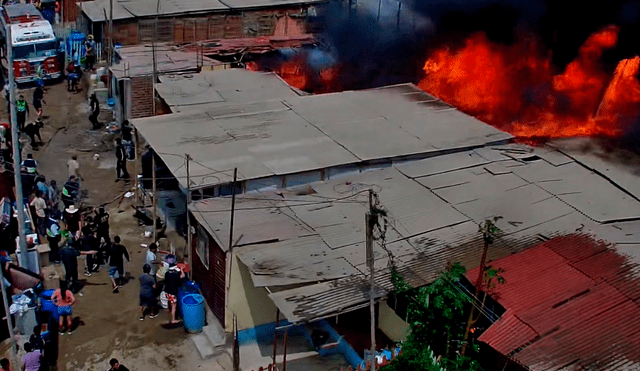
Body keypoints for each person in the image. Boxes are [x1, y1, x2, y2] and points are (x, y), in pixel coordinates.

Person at [163, 255, 184, 324]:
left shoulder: (167, 273)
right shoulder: (175, 275)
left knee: (169, 302)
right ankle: (173, 319)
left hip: (166, 291)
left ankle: (169, 310)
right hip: (172, 292)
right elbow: (182, 276)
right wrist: (181, 269)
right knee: (174, 306)